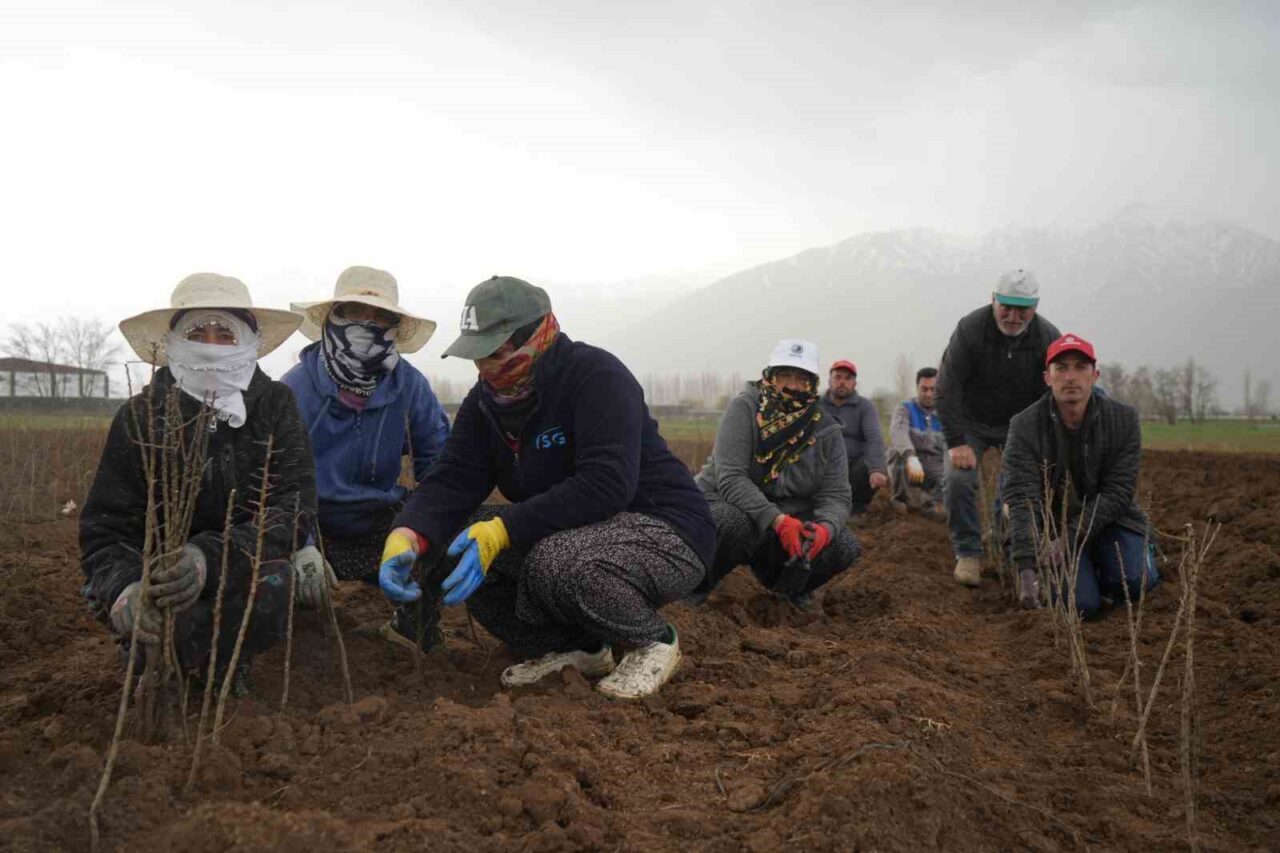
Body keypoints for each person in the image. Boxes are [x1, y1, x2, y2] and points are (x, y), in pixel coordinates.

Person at [376, 276, 714, 700]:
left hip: (664, 529)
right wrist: (408, 533)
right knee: (453, 539)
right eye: (477, 357)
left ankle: (653, 641)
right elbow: (451, 479)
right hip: (578, 533)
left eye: (495, 353)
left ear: (539, 335)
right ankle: (576, 648)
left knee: (554, 561)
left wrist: (505, 528)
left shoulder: (595, 376)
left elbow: (606, 485)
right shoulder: (485, 404)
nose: (486, 369)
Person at [80, 274, 316, 693]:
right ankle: (160, 658)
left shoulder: (275, 406)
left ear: (248, 341)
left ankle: (228, 661)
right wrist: (126, 586)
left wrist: (208, 558)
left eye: (225, 333)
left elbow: (292, 508)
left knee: (275, 585)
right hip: (158, 575)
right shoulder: (140, 416)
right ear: (173, 341)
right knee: (155, 614)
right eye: (196, 333)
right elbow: (105, 527)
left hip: (242, 568)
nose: (210, 344)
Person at [283, 266, 449, 615]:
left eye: (380, 316)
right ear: (334, 316)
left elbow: (439, 467)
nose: (368, 323)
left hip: (380, 524)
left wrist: (419, 527)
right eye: (356, 312)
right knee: (265, 564)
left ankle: (415, 624)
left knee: (451, 529)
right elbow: (274, 481)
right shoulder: (294, 390)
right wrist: (300, 543)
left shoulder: (410, 386)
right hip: (310, 528)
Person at [695, 340, 861, 608]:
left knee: (843, 544)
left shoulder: (826, 430)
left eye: (801, 378)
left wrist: (824, 529)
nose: (792, 386)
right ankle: (694, 588)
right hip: (732, 509)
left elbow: (837, 495)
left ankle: (788, 592)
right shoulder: (746, 408)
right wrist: (777, 520)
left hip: (787, 526)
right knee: (732, 521)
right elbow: (731, 478)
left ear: (812, 384)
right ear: (771, 376)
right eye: (785, 375)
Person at [1003, 334, 1158, 615]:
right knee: (1081, 605)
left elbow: (1118, 493)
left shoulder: (1123, 420)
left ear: (1095, 375)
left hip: (1110, 519)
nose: (1070, 377)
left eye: (1080, 367)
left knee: (1135, 583)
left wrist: (1070, 539)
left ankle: (1120, 557)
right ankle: (1086, 571)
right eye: (1061, 368)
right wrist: (1027, 568)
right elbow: (1023, 496)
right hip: (1055, 527)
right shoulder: (1024, 425)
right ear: (1047, 377)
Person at [936, 269, 1061, 587]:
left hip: (1020, 424)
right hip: (971, 421)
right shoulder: (971, 329)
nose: (1014, 316)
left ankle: (1008, 542)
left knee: (1018, 490)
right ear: (993, 300)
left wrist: (1039, 441)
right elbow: (948, 385)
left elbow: (1053, 395)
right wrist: (956, 441)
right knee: (958, 480)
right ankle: (968, 552)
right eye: (1006, 306)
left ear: (1035, 307)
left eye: (1023, 309)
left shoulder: (1047, 338)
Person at [819, 359, 887, 514]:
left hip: (853, 471)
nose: (842, 382)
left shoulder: (865, 406)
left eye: (848, 378)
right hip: (822, 468)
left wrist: (876, 468)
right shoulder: (816, 405)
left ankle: (856, 508)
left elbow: (874, 438)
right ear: (830, 380)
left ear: (854, 383)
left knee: (871, 461)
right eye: (838, 377)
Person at [887, 367, 945, 518]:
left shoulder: (945, 413)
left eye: (933, 389)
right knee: (896, 452)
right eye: (924, 389)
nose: (928, 394)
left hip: (935, 464)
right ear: (917, 388)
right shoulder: (905, 409)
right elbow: (898, 433)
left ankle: (930, 504)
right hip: (910, 463)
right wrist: (910, 455)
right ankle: (901, 502)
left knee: (952, 478)